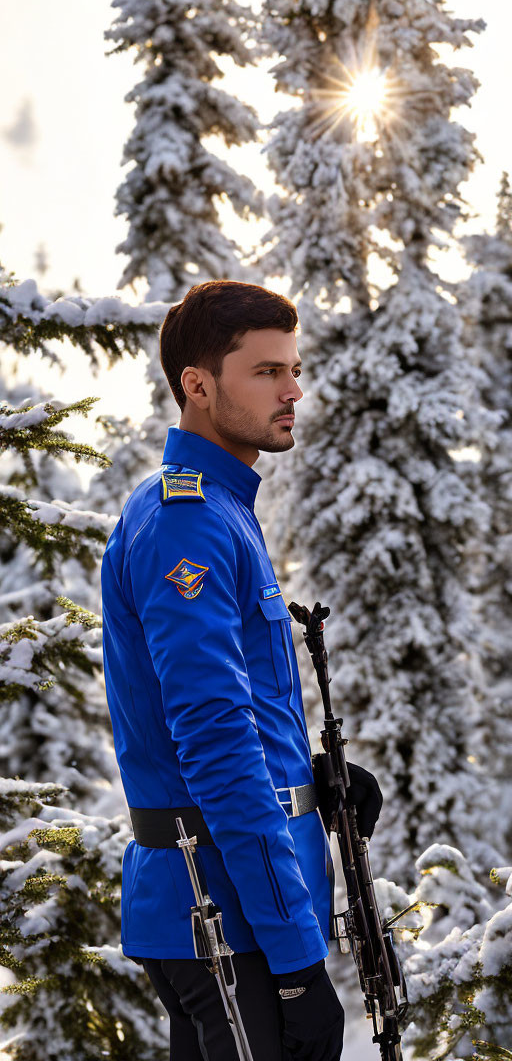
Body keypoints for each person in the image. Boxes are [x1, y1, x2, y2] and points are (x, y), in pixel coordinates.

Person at [101, 280, 378, 1060]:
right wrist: (295, 962)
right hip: (226, 919)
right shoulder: (184, 519)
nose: (294, 390)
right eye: (266, 372)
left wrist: (311, 779)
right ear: (198, 385)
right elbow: (216, 741)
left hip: (231, 912)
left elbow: (240, 718)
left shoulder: (220, 510)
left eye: (293, 368)